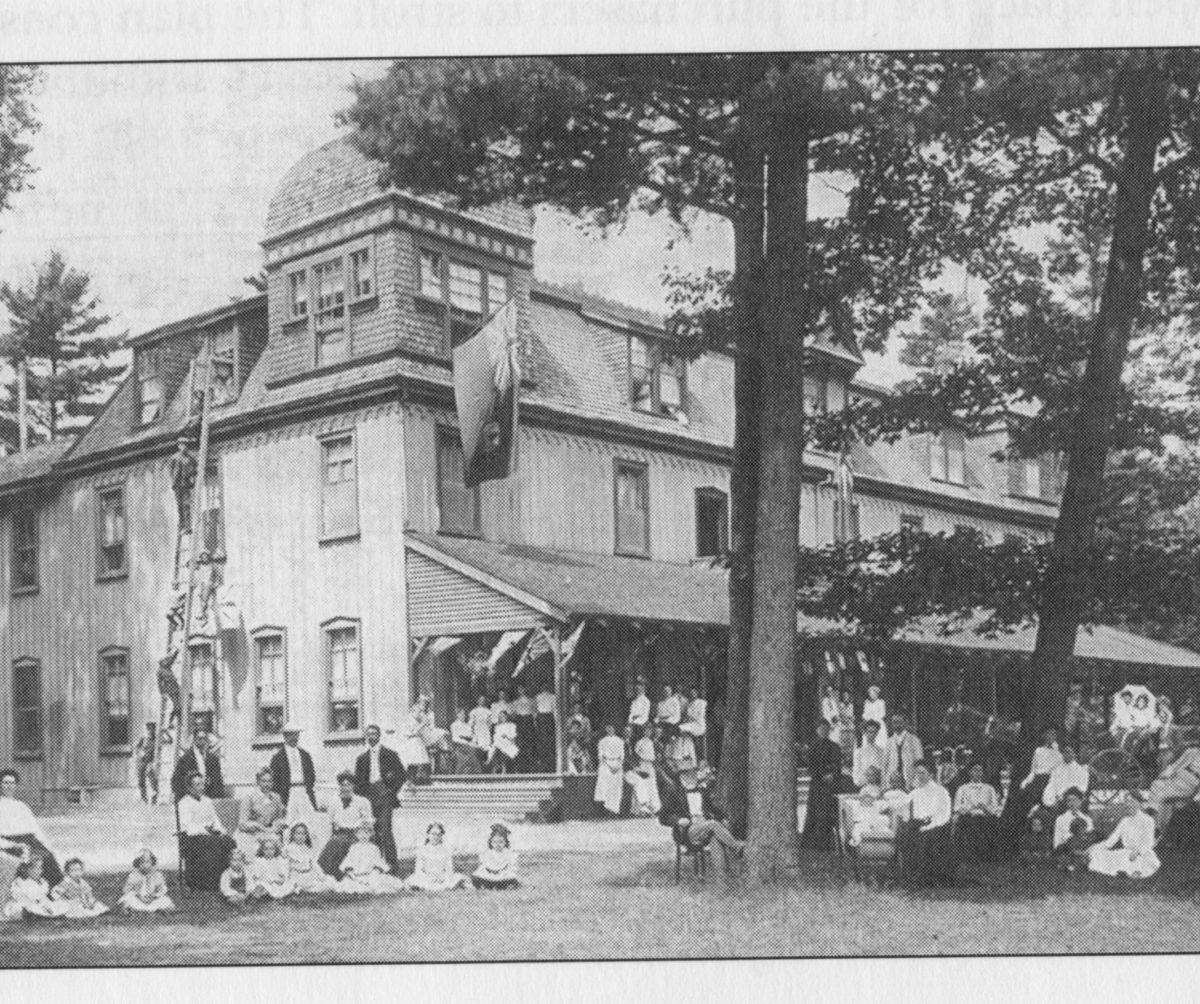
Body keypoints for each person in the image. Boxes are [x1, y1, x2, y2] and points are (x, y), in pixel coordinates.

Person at [658, 764, 745, 870]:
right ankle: (737, 847)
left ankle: (721, 875)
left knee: (714, 837)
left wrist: (723, 818)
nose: (691, 778)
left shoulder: (703, 792)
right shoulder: (674, 793)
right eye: (686, 776)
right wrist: (678, 820)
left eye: (693, 775)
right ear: (681, 778)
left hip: (706, 827)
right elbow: (662, 816)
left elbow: (715, 810)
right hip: (687, 830)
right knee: (713, 825)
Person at [890, 761, 954, 885]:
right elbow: (902, 805)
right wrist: (884, 804)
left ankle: (923, 876)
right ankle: (908, 875)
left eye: (922, 773)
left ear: (931, 774)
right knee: (904, 832)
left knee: (922, 837)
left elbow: (944, 816)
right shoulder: (916, 792)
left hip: (937, 827)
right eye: (917, 773)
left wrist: (929, 826)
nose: (919, 776)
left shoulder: (941, 792)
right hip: (917, 825)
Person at [0, 768, 63, 887]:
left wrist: (47, 846)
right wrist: (11, 845)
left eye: (12, 783)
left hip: (30, 840)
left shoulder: (22, 806)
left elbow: (35, 830)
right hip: (11, 843)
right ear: (0, 784)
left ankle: (53, 893)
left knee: (48, 857)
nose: (9, 786)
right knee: (33, 859)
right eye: (6, 783)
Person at [354, 725, 404, 873]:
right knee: (372, 829)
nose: (371, 737)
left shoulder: (390, 754)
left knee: (385, 829)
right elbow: (358, 782)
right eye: (369, 734)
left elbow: (402, 775)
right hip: (369, 796)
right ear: (366, 737)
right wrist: (362, 798)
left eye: (374, 734)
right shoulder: (361, 758)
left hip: (385, 794)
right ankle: (375, 863)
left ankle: (392, 865)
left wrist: (391, 790)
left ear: (379, 735)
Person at [178, 770, 236, 891]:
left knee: (228, 841)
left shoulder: (207, 801)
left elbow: (215, 820)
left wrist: (221, 831)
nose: (201, 787)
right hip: (192, 838)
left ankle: (226, 879)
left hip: (209, 835)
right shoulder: (184, 803)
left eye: (202, 784)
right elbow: (187, 825)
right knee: (213, 842)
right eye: (197, 785)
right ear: (189, 787)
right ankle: (208, 883)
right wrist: (206, 830)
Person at [1088, 795, 1160, 878]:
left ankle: (1134, 871)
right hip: (1126, 852)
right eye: (1127, 802)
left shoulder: (1148, 820)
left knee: (1131, 861)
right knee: (1102, 855)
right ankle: (1126, 871)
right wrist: (1096, 847)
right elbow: (1112, 840)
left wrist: (1137, 852)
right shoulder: (1124, 821)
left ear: (1139, 803)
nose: (1129, 804)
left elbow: (1149, 842)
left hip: (1143, 853)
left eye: (1132, 801)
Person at [319, 772, 374, 877]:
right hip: (339, 835)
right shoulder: (334, 802)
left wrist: (363, 832)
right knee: (335, 843)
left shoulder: (362, 802)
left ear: (353, 786)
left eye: (348, 785)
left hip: (357, 835)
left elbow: (368, 823)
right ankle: (334, 874)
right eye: (342, 785)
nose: (345, 788)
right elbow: (328, 824)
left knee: (348, 844)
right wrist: (327, 839)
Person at [801, 721, 844, 851]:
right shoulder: (812, 747)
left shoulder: (835, 747)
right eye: (821, 729)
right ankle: (812, 845)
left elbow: (838, 766)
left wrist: (832, 775)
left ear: (829, 730)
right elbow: (811, 767)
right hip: (817, 785)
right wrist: (821, 776)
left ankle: (827, 844)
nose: (824, 731)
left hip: (830, 786)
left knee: (827, 813)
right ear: (817, 730)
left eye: (826, 729)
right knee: (814, 813)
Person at [269, 722, 318, 826]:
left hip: (304, 791)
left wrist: (307, 789)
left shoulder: (305, 755)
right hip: (288, 792)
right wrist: (279, 800)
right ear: (285, 736)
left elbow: (311, 776)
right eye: (291, 735)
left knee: (307, 821)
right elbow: (274, 781)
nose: (294, 738)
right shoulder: (278, 757)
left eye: (296, 735)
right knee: (289, 821)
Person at [338, 821, 405, 894]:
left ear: (371, 834)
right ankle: (361, 885)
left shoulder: (374, 848)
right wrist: (349, 871)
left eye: (366, 833)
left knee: (379, 883)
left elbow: (378, 861)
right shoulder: (353, 847)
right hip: (356, 875)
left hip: (370, 875)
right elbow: (349, 860)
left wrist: (377, 870)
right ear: (356, 834)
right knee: (349, 885)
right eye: (360, 833)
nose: (363, 836)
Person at [953, 763, 1001, 863]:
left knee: (989, 824)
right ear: (969, 772)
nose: (977, 773)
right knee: (969, 824)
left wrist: (985, 807)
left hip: (985, 817)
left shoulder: (989, 788)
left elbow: (995, 808)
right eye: (975, 770)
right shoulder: (963, 788)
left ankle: (986, 856)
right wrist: (970, 807)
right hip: (968, 817)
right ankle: (970, 857)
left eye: (980, 770)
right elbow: (956, 807)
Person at [236, 767, 288, 856]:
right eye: (263, 781)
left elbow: (280, 818)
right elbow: (242, 824)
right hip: (251, 834)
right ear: (258, 782)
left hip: (271, 832)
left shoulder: (276, 797)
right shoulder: (249, 797)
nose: (267, 784)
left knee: (279, 846)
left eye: (269, 781)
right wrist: (261, 828)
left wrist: (277, 825)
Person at [1148, 744, 1200, 833]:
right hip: (1178, 775)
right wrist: (1164, 775)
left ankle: (1154, 823)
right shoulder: (1192, 751)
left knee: (1162, 794)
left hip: (1191, 782)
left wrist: (1197, 796)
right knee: (1156, 784)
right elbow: (1176, 765)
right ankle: (1157, 822)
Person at [405, 822, 468, 891]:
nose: (436, 837)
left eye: (439, 834)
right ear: (428, 835)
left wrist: (441, 878)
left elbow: (449, 870)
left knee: (459, 877)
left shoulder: (446, 851)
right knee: (413, 879)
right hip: (426, 879)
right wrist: (428, 878)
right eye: (433, 834)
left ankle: (439, 887)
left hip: (441, 879)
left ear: (441, 836)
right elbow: (418, 870)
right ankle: (440, 888)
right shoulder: (422, 850)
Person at [2, 857, 70, 919]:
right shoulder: (21, 882)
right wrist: (43, 905)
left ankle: (49, 916)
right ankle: (35, 916)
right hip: (24, 904)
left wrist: (49, 902)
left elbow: (43, 897)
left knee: (59, 905)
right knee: (29, 909)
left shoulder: (43, 882)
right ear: (28, 870)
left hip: (40, 903)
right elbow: (27, 898)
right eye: (37, 868)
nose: (41, 871)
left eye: (41, 868)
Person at [170, 729, 225, 801]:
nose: (202, 741)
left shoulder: (213, 759)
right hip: (190, 799)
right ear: (194, 740)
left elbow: (218, 782)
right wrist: (188, 796)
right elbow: (176, 782)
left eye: (204, 738)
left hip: (208, 799)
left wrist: (216, 797)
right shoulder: (185, 759)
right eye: (199, 738)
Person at [1051, 788, 1095, 872]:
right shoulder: (1061, 819)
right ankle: (1070, 865)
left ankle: (1082, 864)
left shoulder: (1087, 819)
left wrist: (1085, 851)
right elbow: (1057, 841)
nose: (1072, 803)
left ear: (1080, 801)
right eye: (1069, 800)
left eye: (1074, 800)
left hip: (1084, 849)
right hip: (1067, 849)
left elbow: (1091, 838)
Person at [286, 823, 333, 894]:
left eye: (303, 834)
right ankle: (300, 887)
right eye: (298, 833)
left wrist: (321, 875)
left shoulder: (307, 848)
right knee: (318, 886)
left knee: (329, 881)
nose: (300, 836)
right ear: (293, 835)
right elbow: (286, 866)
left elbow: (313, 864)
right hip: (297, 876)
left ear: (306, 835)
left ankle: (307, 887)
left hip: (309, 875)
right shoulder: (289, 848)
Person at [1042, 745, 1090, 812]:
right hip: (1058, 803)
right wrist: (1051, 802)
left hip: (1075, 803)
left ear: (1074, 754)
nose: (1065, 755)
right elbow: (1051, 786)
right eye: (1064, 752)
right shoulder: (1056, 770)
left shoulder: (1081, 770)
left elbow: (1082, 789)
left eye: (1068, 752)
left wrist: (1071, 800)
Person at [883, 714, 924, 792]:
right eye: (894, 722)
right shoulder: (889, 742)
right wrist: (885, 785)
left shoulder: (914, 740)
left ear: (905, 722)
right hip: (892, 783)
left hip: (910, 781)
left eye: (899, 722)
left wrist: (915, 783)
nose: (896, 725)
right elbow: (885, 765)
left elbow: (920, 764)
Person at [472, 823, 519, 890]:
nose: (498, 844)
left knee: (512, 880)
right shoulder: (488, 853)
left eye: (500, 842)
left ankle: (500, 886)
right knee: (476, 878)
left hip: (503, 875)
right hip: (489, 874)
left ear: (505, 842)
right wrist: (483, 870)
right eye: (495, 842)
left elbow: (512, 866)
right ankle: (489, 885)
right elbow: (484, 865)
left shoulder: (508, 853)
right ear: (491, 843)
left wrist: (510, 870)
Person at [626, 727, 661, 816]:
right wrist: (642, 760)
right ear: (643, 731)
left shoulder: (652, 742)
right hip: (643, 765)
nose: (648, 732)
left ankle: (654, 808)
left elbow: (655, 755)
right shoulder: (640, 742)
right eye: (646, 730)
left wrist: (653, 761)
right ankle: (640, 810)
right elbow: (636, 754)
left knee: (652, 787)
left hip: (650, 766)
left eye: (649, 731)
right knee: (643, 786)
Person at [249, 835, 295, 900]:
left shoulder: (278, 860)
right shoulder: (259, 861)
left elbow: (282, 878)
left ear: (275, 849)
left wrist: (276, 881)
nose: (269, 851)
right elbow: (255, 877)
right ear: (262, 850)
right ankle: (259, 896)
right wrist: (262, 881)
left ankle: (267, 895)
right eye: (266, 849)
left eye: (272, 849)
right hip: (264, 883)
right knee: (260, 886)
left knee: (291, 884)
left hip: (275, 884)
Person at [398, 700, 433, 784]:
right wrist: (422, 725)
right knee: (413, 762)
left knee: (422, 761)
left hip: (418, 742)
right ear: (413, 711)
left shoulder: (417, 720)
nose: (420, 714)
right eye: (418, 711)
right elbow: (411, 732)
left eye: (421, 712)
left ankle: (422, 779)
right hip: (411, 743)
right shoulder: (409, 720)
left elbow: (423, 733)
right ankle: (411, 780)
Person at [594, 725, 626, 815]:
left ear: (614, 729)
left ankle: (614, 810)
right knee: (606, 787)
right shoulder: (602, 741)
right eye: (608, 729)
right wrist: (610, 766)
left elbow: (622, 755)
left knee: (616, 787)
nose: (610, 730)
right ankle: (606, 810)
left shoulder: (619, 741)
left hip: (617, 764)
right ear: (606, 730)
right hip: (606, 765)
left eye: (611, 728)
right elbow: (601, 756)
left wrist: (618, 766)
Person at [510, 684, 537, 772]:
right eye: (519, 689)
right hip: (520, 721)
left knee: (529, 742)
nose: (521, 691)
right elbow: (513, 715)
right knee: (520, 743)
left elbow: (534, 713)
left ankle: (530, 767)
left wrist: (534, 723)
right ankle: (520, 767)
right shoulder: (515, 702)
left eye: (522, 689)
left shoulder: (531, 701)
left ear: (525, 689)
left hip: (528, 721)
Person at [449, 708, 484, 773]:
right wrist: (467, 743)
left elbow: (471, 736)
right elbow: (455, 738)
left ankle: (475, 771)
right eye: (461, 714)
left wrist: (473, 742)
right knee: (472, 750)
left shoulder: (467, 725)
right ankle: (478, 771)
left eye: (464, 714)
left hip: (468, 744)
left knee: (479, 749)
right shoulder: (454, 725)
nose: (463, 715)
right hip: (459, 746)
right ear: (457, 715)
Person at [853, 720, 886, 788]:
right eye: (869, 732)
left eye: (874, 732)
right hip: (863, 786)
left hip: (878, 786)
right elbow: (856, 772)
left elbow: (883, 772)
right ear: (864, 733)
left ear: (877, 733)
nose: (872, 734)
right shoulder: (859, 752)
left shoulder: (882, 752)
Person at [534, 683, 557, 772]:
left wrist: (555, 722)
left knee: (549, 740)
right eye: (543, 686)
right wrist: (535, 721)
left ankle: (550, 764)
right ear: (541, 687)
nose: (545, 687)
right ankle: (542, 763)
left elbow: (555, 709)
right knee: (541, 740)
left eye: (546, 686)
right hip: (541, 718)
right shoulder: (537, 697)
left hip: (549, 718)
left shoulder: (553, 696)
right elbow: (535, 710)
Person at [134, 722, 159, 804]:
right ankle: (144, 798)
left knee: (152, 778)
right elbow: (136, 748)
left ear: (154, 730)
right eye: (148, 730)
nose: (149, 732)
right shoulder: (143, 739)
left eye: (151, 729)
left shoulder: (156, 739)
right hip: (142, 761)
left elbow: (169, 740)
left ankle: (154, 797)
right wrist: (140, 752)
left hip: (151, 761)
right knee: (141, 780)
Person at [836, 689, 857, 766]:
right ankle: (843, 760)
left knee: (850, 743)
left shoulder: (851, 705)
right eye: (844, 696)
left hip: (850, 726)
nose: (846, 697)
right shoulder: (840, 705)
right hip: (843, 727)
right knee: (843, 743)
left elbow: (852, 716)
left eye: (847, 696)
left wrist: (851, 719)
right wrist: (843, 719)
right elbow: (839, 715)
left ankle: (849, 760)